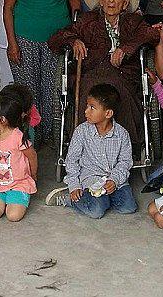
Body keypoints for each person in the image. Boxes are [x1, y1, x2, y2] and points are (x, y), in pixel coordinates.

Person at [48, 0, 159, 150]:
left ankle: (125, 147)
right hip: (92, 71)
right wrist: (74, 40)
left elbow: (152, 35)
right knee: (90, 91)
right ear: (100, 1)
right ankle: (85, 147)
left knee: (119, 90)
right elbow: (55, 39)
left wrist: (125, 48)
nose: (111, 0)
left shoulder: (133, 21)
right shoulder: (87, 20)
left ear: (124, 3)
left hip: (123, 73)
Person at [3, 0, 81, 143]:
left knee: (53, 89)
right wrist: (12, 43)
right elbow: (7, 8)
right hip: (24, 40)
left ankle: (52, 135)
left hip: (56, 41)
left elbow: (75, 6)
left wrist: (73, 37)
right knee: (28, 91)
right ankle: (31, 138)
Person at [44, 83, 136, 218]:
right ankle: (69, 199)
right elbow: (72, 161)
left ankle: (101, 199)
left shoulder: (122, 134)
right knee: (96, 211)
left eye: (92, 108)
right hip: (91, 180)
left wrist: (114, 180)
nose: (86, 111)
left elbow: (125, 162)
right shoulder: (81, 131)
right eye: (87, 106)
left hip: (115, 181)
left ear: (108, 113)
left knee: (129, 207)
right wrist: (74, 185)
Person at [0, 90, 38, 222]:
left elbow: (32, 156)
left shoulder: (17, 136)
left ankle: (21, 194)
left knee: (13, 216)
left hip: (19, 183)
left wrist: (33, 175)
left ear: (2, 119)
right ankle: (6, 198)